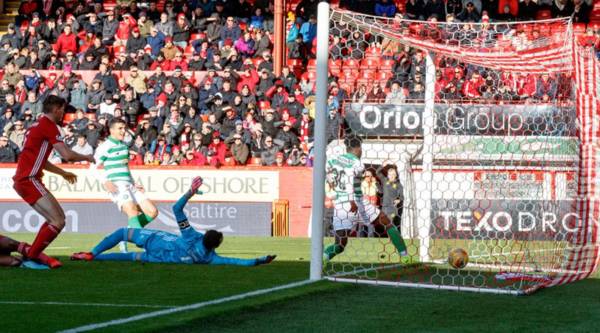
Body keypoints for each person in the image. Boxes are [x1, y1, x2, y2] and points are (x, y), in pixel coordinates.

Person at [72, 177, 277, 266]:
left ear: (205, 234)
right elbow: (236, 262)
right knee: (128, 258)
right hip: (156, 259)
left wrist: (190, 192)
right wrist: (258, 260)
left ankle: (93, 253)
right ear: (216, 245)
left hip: (155, 240)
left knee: (122, 233)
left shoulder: (191, 236)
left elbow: (176, 209)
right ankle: (94, 258)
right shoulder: (210, 259)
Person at [12, 96, 95, 268]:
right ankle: (31, 257)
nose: (63, 114)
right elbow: (67, 155)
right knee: (58, 220)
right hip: (29, 179)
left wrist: (62, 173)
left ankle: (31, 255)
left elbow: (42, 160)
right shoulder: (49, 126)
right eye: (63, 110)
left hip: (25, 179)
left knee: (55, 220)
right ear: (56, 109)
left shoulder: (36, 125)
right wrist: (87, 157)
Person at [323, 134, 408, 262]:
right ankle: (405, 256)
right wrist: (352, 200)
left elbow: (329, 178)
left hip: (340, 205)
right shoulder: (357, 163)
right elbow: (352, 181)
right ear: (358, 148)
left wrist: (333, 193)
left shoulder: (332, 161)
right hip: (356, 202)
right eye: (361, 148)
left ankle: (322, 259)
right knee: (388, 223)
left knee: (340, 245)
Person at [90, 118, 159, 244]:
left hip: (130, 184)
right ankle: (142, 242)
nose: (123, 131)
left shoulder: (124, 147)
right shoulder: (105, 147)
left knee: (153, 212)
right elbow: (92, 168)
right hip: (117, 185)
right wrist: (105, 181)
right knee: (132, 210)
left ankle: (126, 234)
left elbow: (125, 167)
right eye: (120, 128)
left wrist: (134, 182)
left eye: (124, 128)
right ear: (111, 130)